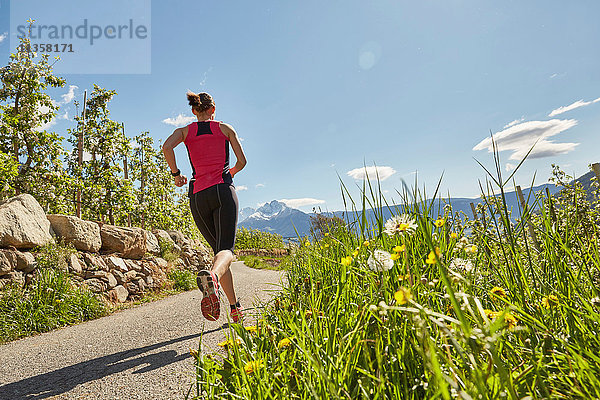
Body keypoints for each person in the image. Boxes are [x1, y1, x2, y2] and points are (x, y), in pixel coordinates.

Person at [162, 91, 247, 323]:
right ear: (213, 109)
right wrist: (231, 173)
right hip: (222, 191)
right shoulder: (225, 129)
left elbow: (167, 147)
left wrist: (176, 174)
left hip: (198, 196)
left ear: (193, 111)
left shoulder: (185, 132)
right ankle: (213, 278)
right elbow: (242, 161)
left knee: (219, 253)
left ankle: (234, 306)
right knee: (227, 250)